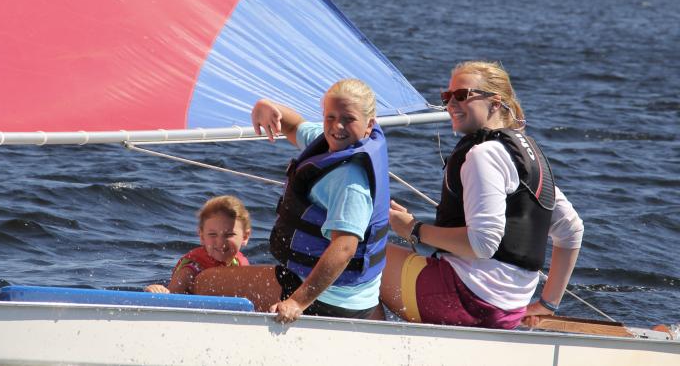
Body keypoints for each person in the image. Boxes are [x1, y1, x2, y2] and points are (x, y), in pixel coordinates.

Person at [380, 61, 584, 329]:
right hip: (508, 311)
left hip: (464, 300)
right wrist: (547, 305)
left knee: (350, 254)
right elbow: (571, 229)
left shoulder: (484, 154)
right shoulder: (526, 156)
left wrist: (414, 229)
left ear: (495, 103)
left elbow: (482, 243)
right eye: (446, 97)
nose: (451, 104)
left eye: (462, 95)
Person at [192, 79, 389, 323]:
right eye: (330, 117)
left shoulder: (350, 181)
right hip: (360, 297)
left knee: (204, 282)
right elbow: (294, 126)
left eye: (348, 118)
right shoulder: (333, 142)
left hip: (329, 300)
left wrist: (297, 301)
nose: (337, 125)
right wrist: (266, 107)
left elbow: (345, 248)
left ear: (369, 124)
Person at [145, 195, 251, 294]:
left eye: (229, 234)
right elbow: (169, 297)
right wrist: (157, 291)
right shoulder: (192, 269)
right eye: (213, 234)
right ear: (202, 237)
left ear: (245, 237)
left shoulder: (241, 266)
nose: (220, 242)